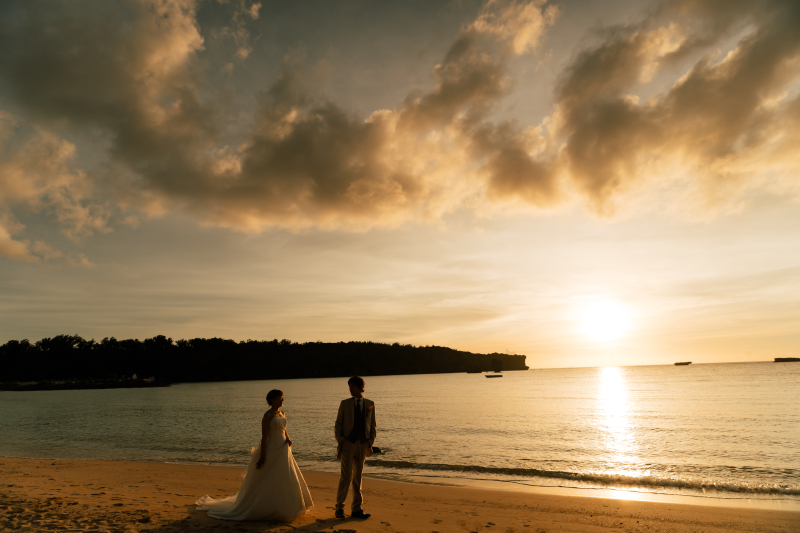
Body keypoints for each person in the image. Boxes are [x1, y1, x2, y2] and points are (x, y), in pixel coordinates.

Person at [196, 389, 313, 521]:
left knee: (286, 475)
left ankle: (288, 506)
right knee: (269, 476)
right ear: (273, 400)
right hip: (272, 447)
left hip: (283, 448)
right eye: (280, 398)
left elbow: (284, 429)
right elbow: (264, 437)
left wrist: (288, 438)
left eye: (282, 398)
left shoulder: (282, 413)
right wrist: (263, 455)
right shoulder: (267, 415)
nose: (283, 400)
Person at [334, 376, 377, 519]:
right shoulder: (345, 404)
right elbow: (338, 424)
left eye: (352, 386)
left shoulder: (370, 404)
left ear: (359, 387)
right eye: (349, 387)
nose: (350, 389)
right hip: (348, 444)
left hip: (362, 444)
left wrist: (370, 442)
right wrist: (341, 441)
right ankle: (339, 507)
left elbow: (373, 425)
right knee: (346, 477)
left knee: (357, 478)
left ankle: (356, 509)